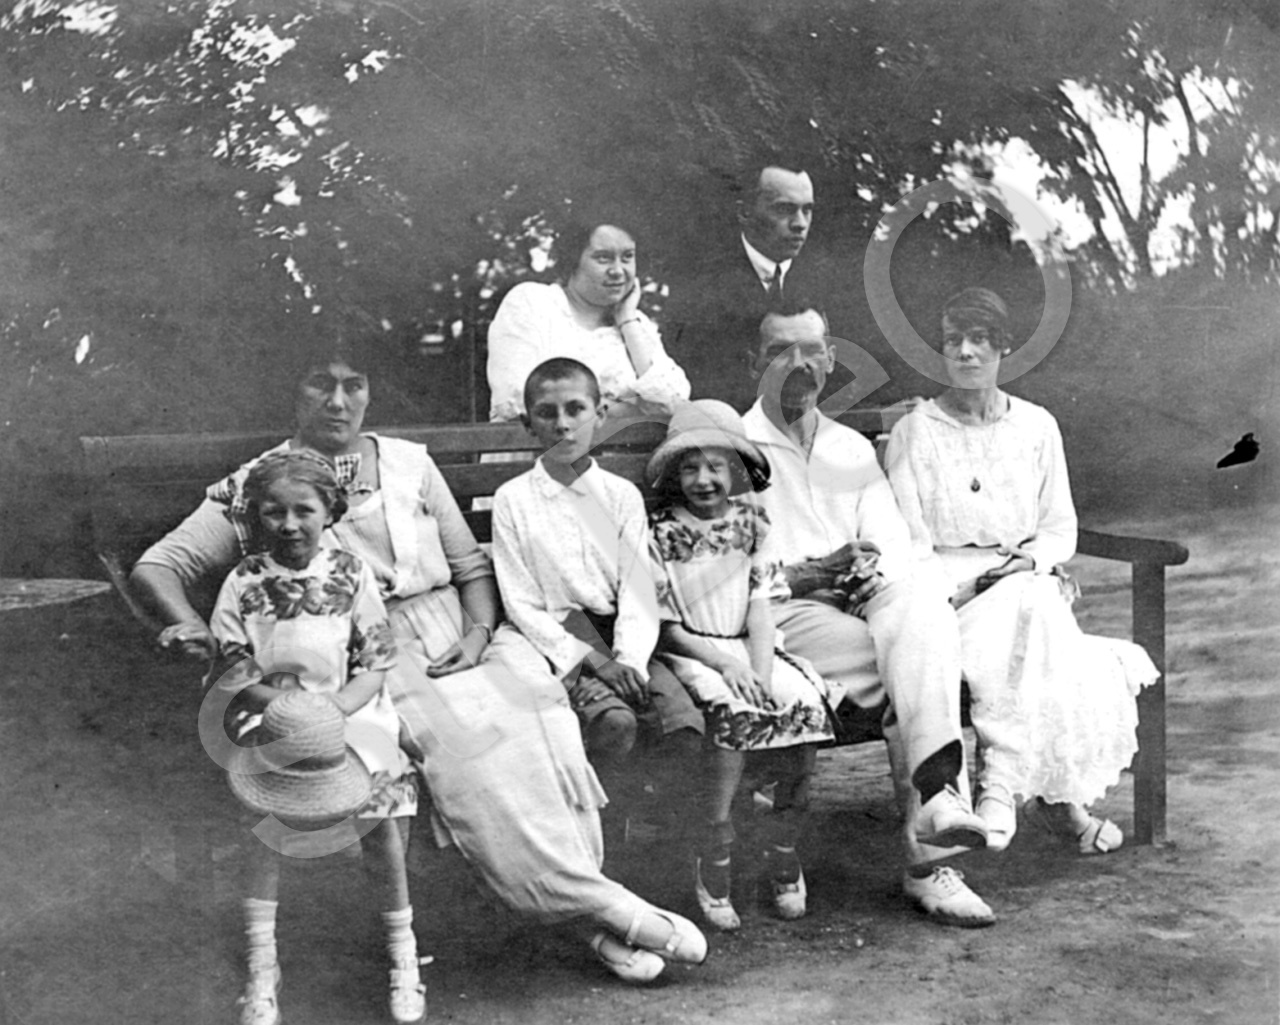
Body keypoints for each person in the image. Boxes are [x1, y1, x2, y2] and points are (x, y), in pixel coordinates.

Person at [130, 340, 706, 986]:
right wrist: (188, 624)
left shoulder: (408, 463)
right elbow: (158, 565)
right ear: (294, 391)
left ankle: (582, 911)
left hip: (463, 630)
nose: (339, 400)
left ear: (370, 390)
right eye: (320, 383)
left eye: (354, 383)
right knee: (473, 749)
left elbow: (469, 569)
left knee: (541, 724)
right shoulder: (266, 482)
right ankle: (607, 911)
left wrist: (479, 633)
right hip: (373, 652)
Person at [739, 303, 997, 928]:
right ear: (754, 364)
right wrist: (813, 573)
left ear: (832, 359)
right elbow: (726, 576)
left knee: (920, 611)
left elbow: (891, 549)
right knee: (915, 671)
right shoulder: (735, 448)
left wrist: (867, 573)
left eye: (812, 351)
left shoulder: (848, 446)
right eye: (780, 352)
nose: (798, 365)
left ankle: (937, 804)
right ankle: (930, 853)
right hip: (777, 615)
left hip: (854, 608)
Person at [885, 287, 1159, 854]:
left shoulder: (1036, 426)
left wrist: (1029, 563)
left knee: (1035, 602)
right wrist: (961, 590)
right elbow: (909, 544)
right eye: (952, 341)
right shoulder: (916, 431)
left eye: (978, 340)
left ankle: (1000, 789)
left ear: (1003, 347)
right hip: (947, 592)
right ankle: (1038, 801)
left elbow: (1058, 528)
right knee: (1040, 613)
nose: (965, 353)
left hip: (1021, 574)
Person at [206, 451, 424, 1025]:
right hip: (270, 714)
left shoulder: (351, 573)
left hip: (349, 710)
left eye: (304, 510)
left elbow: (375, 663)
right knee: (266, 823)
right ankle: (262, 964)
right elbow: (234, 670)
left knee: (378, 817)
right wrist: (287, 712)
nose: (289, 525)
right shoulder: (244, 582)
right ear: (256, 516)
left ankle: (402, 954)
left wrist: (333, 712)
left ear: (330, 511)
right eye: (273, 512)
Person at [645, 399, 836, 932]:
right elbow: (666, 625)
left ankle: (784, 845)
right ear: (674, 474)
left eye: (716, 466)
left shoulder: (752, 523)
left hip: (751, 648)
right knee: (732, 710)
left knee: (801, 702)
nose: (704, 479)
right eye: (689, 467)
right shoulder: (660, 532)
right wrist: (727, 668)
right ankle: (715, 848)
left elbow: (760, 608)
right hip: (695, 650)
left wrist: (762, 671)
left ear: (736, 469)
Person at [491, 358, 705, 829]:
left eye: (575, 409)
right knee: (616, 724)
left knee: (683, 725)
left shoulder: (620, 496)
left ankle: (659, 837)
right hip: (560, 641)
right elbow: (522, 605)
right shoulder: (513, 500)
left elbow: (637, 590)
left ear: (600, 414)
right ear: (528, 424)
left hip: (625, 636)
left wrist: (628, 659)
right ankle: (605, 838)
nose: (563, 424)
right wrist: (597, 662)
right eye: (546, 412)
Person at [486, 218, 690, 423]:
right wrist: (636, 410)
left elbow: (674, 405)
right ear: (573, 260)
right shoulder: (532, 303)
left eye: (627, 257)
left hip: (631, 445)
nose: (618, 270)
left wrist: (627, 321)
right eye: (603, 258)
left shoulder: (638, 324)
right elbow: (519, 401)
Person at [665, 162, 820, 410]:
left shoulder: (827, 282)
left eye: (807, 210)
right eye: (784, 209)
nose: (800, 223)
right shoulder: (701, 289)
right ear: (745, 212)